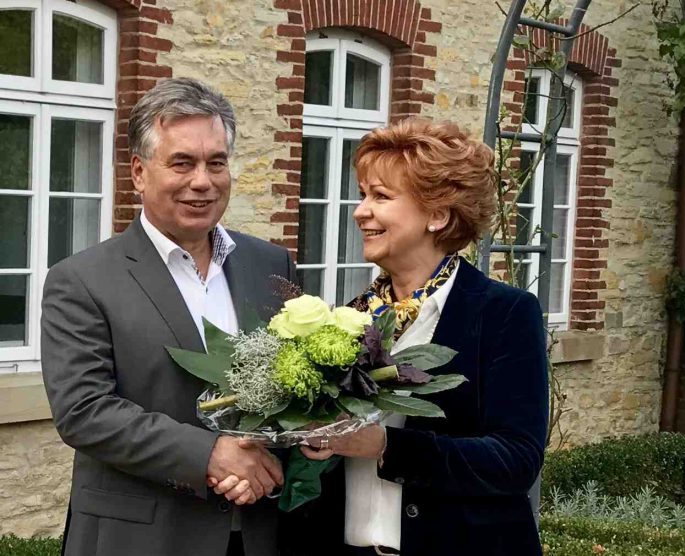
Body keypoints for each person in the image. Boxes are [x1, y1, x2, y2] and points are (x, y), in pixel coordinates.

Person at [41, 78, 292, 556]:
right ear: (138, 172)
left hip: (258, 531)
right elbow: (84, 411)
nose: (203, 180)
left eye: (216, 162)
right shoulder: (81, 280)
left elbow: (296, 386)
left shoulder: (272, 266)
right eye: (182, 163)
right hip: (141, 537)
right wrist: (211, 455)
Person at [277, 118, 549, 556]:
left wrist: (386, 446)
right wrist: (313, 443)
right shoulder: (347, 319)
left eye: (381, 197)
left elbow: (516, 460)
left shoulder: (503, 313)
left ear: (438, 215)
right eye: (364, 194)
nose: (361, 210)